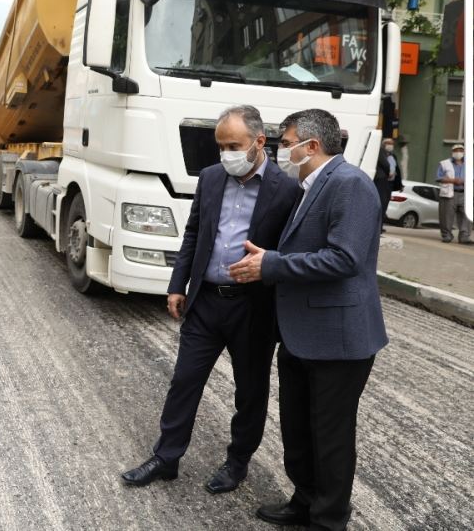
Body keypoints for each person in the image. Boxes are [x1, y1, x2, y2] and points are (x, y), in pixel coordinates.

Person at [121, 105, 301, 494]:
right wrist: (177, 284)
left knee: (250, 392)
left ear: (258, 142)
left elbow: (291, 251)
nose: (225, 154)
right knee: (184, 380)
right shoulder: (211, 178)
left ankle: (237, 464)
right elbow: (194, 233)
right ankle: (166, 458)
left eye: (233, 145)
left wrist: (268, 268)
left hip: (253, 308)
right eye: (220, 146)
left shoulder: (287, 189)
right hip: (205, 303)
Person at [229, 108, 388, 531]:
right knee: (299, 431)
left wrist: (273, 266)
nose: (281, 151)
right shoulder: (311, 185)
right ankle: (305, 500)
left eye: (285, 142)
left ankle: (329, 519)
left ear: (311, 146)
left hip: (338, 337)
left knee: (330, 438)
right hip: (302, 334)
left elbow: (345, 258)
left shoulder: (350, 184)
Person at [436, 144, 471, 244]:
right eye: (456, 150)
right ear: (452, 152)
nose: (458, 152)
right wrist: (453, 180)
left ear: (464, 152)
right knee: (446, 216)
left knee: (467, 215)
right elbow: (439, 178)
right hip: (449, 193)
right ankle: (447, 235)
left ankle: (464, 237)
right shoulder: (444, 163)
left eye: (461, 150)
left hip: (465, 193)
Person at [373, 138, 403, 232]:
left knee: (385, 205)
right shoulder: (380, 152)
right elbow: (385, 165)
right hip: (382, 181)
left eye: (392, 143)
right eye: (388, 143)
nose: (391, 145)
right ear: (383, 144)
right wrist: (389, 172)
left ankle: (380, 226)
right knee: (380, 204)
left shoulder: (393, 156)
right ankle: (376, 227)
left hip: (389, 183)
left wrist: (399, 184)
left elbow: (397, 169)